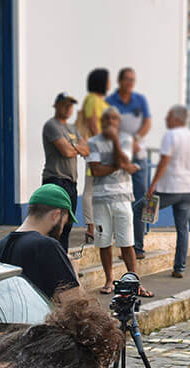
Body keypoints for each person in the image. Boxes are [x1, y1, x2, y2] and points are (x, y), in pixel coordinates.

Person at [87, 108, 151, 297]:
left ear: (118, 122)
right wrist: (121, 166)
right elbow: (96, 170)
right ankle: (109, 280)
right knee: (104, 241)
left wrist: (115, 142)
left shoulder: (125, 139)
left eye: (114, 118)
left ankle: (134, 282)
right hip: (100, 199)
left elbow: (124, 159)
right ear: (101, 120)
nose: (110, 121)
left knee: (127, 242)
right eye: (106, 118)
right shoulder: (93, 142)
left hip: (123, 198)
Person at [145, 104, 190, 279]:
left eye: (168, 116)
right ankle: (179, 267)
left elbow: (164, 161)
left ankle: (137, 249)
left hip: (170, 188)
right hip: (188, 189)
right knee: (182, 229)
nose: (166, 119)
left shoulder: (171, 135)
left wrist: (153, 183)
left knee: (140, 210)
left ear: (176, 119)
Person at [0, 184, 80, 298]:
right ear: (56, 215)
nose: (62, 229)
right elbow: (76, 306)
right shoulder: (48, 246)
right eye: (65, 222)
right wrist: (73, 270)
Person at [106, 68, 152, 258]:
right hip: (117, 158)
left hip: (138, 157)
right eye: (127, 79)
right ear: (120, 80)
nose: (130, 83)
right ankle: (123, 245)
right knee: (119, 201)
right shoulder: (110, 102)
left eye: (133, 80)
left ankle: (138, 248)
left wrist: (136, 139)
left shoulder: (140, 100)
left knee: (140, 202)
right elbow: (106, 127)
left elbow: (147, 122)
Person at [41, 92, 89, 251]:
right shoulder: (52, 125)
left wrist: (72, 146)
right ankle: (50, 262)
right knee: (54, 226)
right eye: (65, 105)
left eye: (71, 105)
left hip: (71, 182)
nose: (68, 108)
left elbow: (86, 149)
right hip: (55, 180)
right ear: (56, 105)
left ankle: (62, 260)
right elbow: (66, 152)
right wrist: (75, 147)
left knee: (67, 225)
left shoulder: (72, 128)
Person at [77, 68, 111, 246]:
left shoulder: (102, 102)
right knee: (90, 189)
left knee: (102, 189)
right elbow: (91, 121)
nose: (110, 83)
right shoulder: (92, 99)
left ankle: (99, 226)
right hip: (97, 150)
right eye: (108, 80)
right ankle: (90, 227)